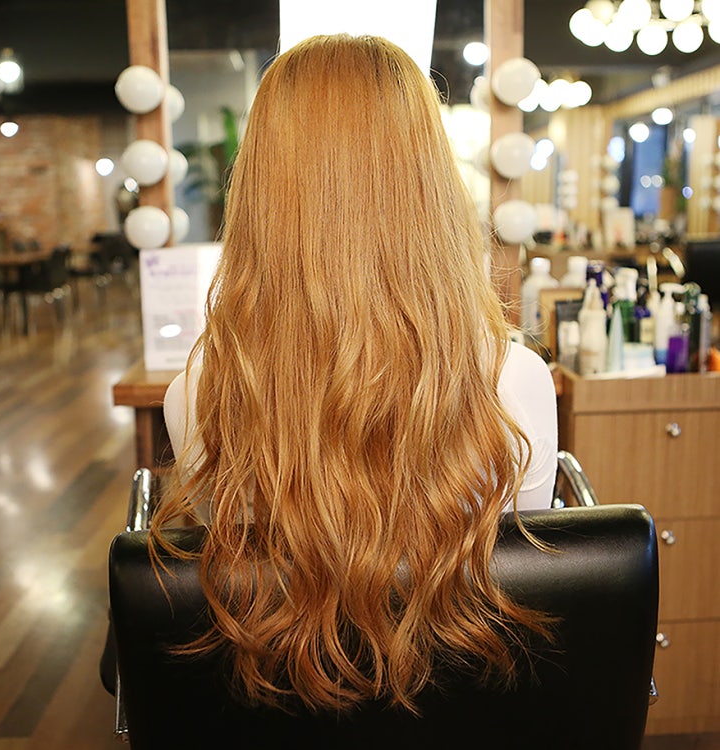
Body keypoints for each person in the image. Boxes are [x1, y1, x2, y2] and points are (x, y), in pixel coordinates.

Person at [155, 33, 558, 714]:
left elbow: (243, 581)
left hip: (281, 707)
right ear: (429, 185)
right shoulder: (516, 381)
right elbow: (517, 580)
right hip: (468, 713)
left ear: (260, 188)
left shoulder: (200, 394)